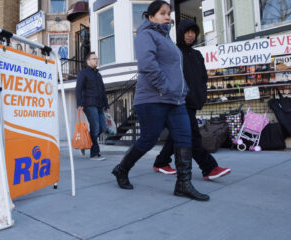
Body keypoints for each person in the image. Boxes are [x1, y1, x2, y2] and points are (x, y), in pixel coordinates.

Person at [111, 1, 209, 201]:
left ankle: (183, 183)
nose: (167, 16)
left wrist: (182, 90)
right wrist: (166, 87)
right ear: (150, 17)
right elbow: (147, 64)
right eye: (162, 13)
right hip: (152, 99)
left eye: (168, 13)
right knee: (148, 139)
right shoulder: (145, 34)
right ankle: (122, 169)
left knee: (184, 137)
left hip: (175, 99)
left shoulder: (167, 39)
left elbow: (174, 69)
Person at [153, 19, 231, 180]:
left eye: (193, 32)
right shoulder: (173, 52)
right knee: (191, 135)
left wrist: (201, 95)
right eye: (187, 32)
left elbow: (202, 78)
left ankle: (161, 162)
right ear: (181, 33)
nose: (191, 35)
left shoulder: (197, 55)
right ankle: (209, 168)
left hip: (193, 101)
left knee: (177, 134)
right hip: (178, 101)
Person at [75, 52, 109, 161]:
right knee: (95, 128)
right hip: (89, 104)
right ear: (88, 61)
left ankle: (86, 143)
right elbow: (78, 89)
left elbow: (103, 91)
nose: (96, 60)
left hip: (99, 105)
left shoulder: (98, 75)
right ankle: (94, 154)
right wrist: (79, 103)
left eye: (97, 59)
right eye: (94, 59)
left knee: (102, 127)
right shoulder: (83, 73)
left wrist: (106, 105)